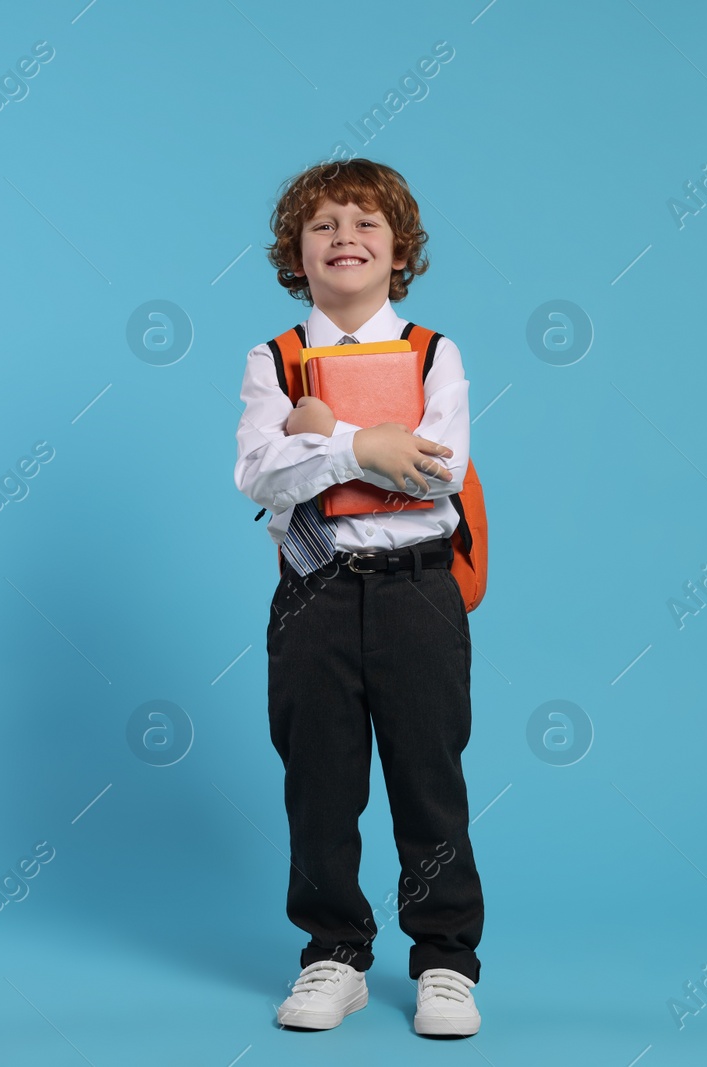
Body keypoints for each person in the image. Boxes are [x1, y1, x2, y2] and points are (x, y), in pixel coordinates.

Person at [233, 158, 484, 1037]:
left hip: (418, 590)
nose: (345, 236)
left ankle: (447, 960)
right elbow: (258, 473)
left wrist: (328, 432)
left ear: (399, 251)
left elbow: (438, 466)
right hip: (315, 593)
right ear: (295, 254)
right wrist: (364, 447)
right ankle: (333, 954)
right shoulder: (274, 360)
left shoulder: (434, 353)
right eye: (324, 224)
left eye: (366, 222)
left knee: (429, 774)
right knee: (320, 781)